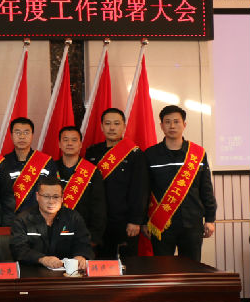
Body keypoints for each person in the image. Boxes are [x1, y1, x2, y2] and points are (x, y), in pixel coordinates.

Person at [143, 105, 216, 261]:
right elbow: (143, 190)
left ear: (184, 124)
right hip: (161, 223)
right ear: (161, 125)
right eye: (167, 122)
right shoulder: (150, 154)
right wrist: (143, 221)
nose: (172, 126)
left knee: (192, 269)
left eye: (176, 121)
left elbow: (206, 189)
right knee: (162, 269)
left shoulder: (198, 153)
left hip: (192, 222)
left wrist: (210, 219)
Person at [84, 107, 149, 258]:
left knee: (127, 264)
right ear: (101, 127)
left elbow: (140, 189)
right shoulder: (92, 152)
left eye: (116, 123)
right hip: (98, 221)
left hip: (124, 221)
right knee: (100, 263)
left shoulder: (135, 154)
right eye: (107, 124)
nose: (112, 128)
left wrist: (135, 220)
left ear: (124, 126)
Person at [10, 176, 93, 270]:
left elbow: (84, 244)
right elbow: (18, 249)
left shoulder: (73, 218)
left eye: (56, 197)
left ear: (62, 198)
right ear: (37, 196)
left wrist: (81, 256)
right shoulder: (22, 219)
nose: (51, 201)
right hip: (33, 272)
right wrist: (42, 259)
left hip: (67, 273)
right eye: (46, 196)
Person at [56, 126, 106, 248]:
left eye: (74, 140)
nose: (69, 143)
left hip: (83, 234)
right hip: (53, 234)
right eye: (65, 140)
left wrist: (94, 237)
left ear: (80, 145)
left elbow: (98, 206)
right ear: (59, 144)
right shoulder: (51, 169)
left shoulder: (92, 172)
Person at [1, 117, 57, 214]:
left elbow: (54, 192)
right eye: (18, 132)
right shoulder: (3, 163)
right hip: (12, 218)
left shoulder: (46, 162)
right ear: (11, 135)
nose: (22, 136)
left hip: (40, 217)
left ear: (32, 135)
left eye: (26, 132)